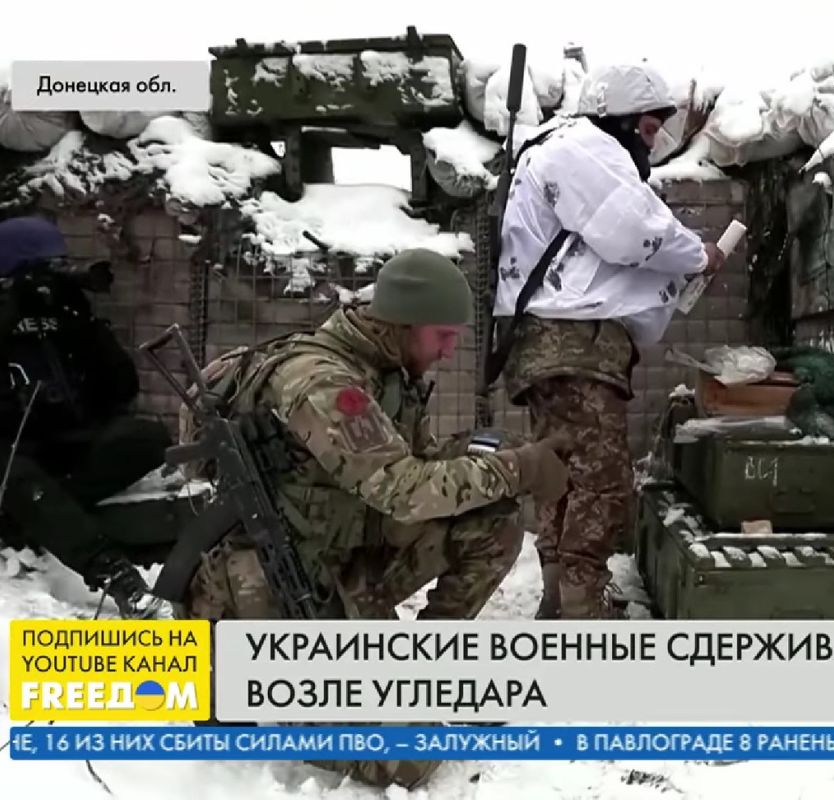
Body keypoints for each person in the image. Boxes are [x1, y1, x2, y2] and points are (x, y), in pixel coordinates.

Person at [175, 247, 570, 790]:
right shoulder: (323, 383)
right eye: (442, 335)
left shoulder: (387, 368)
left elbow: (418, 465)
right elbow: (403, 490)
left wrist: (502, 457)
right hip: (267, 596)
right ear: (403, 324)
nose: (450, 350)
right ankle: (233, 683)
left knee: (491, 517)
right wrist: (516, 469)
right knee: (406, 756)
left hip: (336, 563)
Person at [492, 63, 726, 620]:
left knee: (562, 475)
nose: (652, 143)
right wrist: (700, 254)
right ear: (617, 119)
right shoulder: (584, 146)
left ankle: (560, 596)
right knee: (601, 481)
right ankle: (582, 608)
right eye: (647, 129)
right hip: (573, 344)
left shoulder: (561, 149)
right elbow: (632, 229)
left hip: (552, 345)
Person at [0, 215, 170, 619]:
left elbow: (122, 386)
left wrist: (85, 323)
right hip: (11, 454)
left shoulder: (65, 316)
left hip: (67, 446)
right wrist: (10, 314)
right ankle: (115, 574)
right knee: (17, 476)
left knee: (149, 438)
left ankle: (32, 517)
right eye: (46, 270)